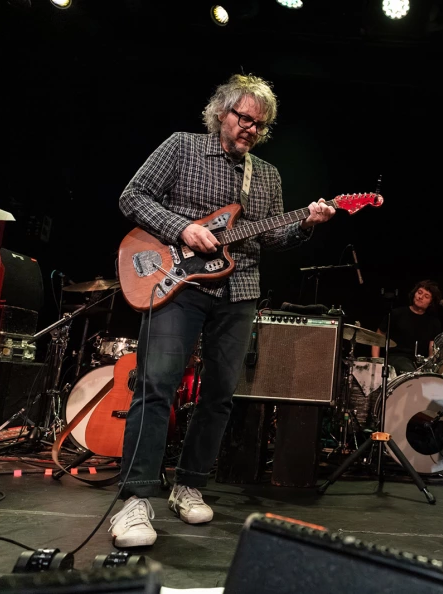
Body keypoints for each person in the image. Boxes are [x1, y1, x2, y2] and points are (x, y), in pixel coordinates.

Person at [111, 74, 336, 548]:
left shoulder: (267, 175)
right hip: (175, 284)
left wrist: (307, 224)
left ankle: (189, 483)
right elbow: (132, 197)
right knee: (156, 388)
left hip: (240, 291)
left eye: (260, 123)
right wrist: (183, 229)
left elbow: (272, 236)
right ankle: (135, 500)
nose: (251, 128)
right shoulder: (182, 147)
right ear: (222, 113)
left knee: (218, 395)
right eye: (244, 118)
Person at [370, 280, 442, 373]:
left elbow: (432, 352)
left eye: (426, 296)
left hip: (419, 363)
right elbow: (378, 337)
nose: (420, 297)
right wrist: (376, 362)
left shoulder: (434, 322)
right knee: (409, 372)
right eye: (419, 293)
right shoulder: (397, 314)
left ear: (431, 302)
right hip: (396, 358)